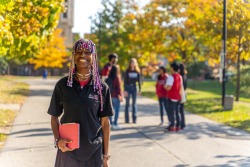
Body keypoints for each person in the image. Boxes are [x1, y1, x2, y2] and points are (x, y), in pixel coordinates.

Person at [48, 39, 114, 167]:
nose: (82, 55)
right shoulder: (62, 85)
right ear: (73, 56)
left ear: (93, 56)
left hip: (94, 151)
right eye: (78, 52)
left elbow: (105, 124)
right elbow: (54, 117)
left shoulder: (101, 87)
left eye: (87, 52)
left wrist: (105, 156)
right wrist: (58, 141)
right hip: (67, 151)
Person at [164, 62, 182, 132]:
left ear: (172, 68)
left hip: (171, 97)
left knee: (171, 112)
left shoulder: (171, 77)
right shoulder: (180, 76)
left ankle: (172, 126)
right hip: (178, 97)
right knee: (177, 112)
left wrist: (165, 86)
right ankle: (178, 126)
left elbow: (168, 87)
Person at [105, 65, 123, 130]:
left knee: (110, 111)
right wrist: (121, 95)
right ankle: (115, 123)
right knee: (117, 110)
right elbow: (119, 88)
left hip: (109, 96)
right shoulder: (116, 78)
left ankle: (110, 123)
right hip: (115, 96)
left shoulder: (108, 78)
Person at [124, 58, 141, 123]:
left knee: (134, 104)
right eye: (132, 62)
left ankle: (134, 119)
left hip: (134, 87)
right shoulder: (127, 71)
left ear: (136, 63)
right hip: (128, 87)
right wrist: (125, 90)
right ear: (130, 63)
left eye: (134, 62)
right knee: (127, 104)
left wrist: (139, 89)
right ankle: (127, 119)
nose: (133, 64)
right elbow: (125, 82)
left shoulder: (137, 71)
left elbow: (139, 81)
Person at [177, 63, 187, 129]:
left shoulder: (180, 76)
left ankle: (180, 123)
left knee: (178, 110)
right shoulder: (185, 75)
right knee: (181, 110)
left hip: (180, 93)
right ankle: (182, 123)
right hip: (184, 93)